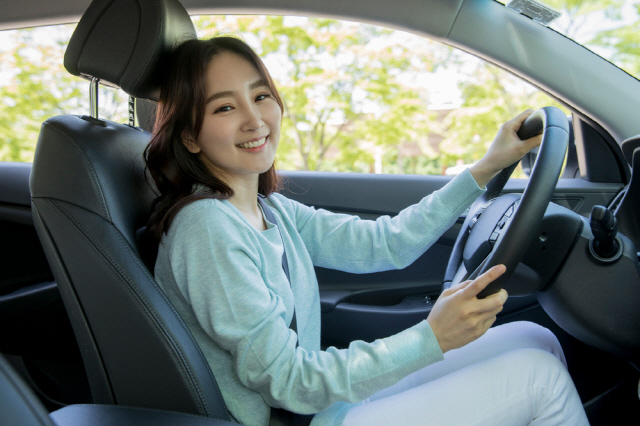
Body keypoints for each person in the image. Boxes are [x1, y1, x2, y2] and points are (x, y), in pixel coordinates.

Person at [144, 36, 589, 426]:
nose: (254, 119)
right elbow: (289, 381)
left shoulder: (270, 210)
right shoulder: (206, 229)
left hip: (322, 407)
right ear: (190, 137)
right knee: (540, 380)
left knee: (536, 339)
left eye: (260, 96)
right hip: (299, 417)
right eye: (225, 107)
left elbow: (387, 243)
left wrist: (485, 168)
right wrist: (432, 337)